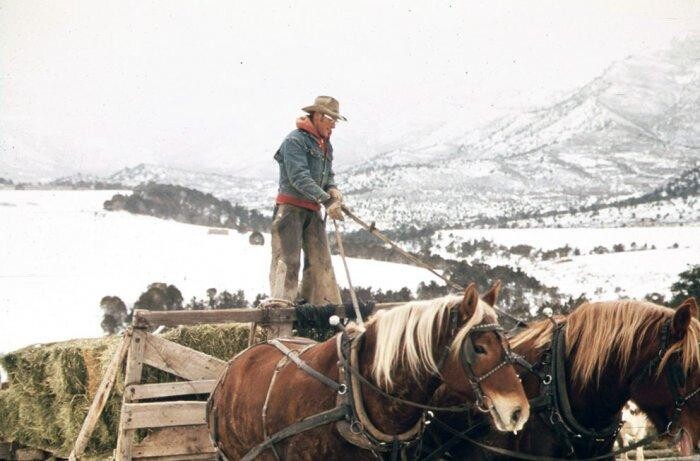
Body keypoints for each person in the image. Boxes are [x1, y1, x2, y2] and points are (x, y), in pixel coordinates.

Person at [269, 95, 346, 305]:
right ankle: (282, 311)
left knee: (319, 263)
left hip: (312, 210)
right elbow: (298, 177)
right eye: (332, 121)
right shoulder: (294, 141)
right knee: (287, 263)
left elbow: (327, 173)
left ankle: (317, 310)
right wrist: (326, 200)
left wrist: (332, 188)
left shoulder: (325, 145)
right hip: (290, 210)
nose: (334, 126)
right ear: (320, 116)